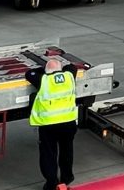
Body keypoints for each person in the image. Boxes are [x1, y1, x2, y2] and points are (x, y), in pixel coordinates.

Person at [25, 55, 81, 190]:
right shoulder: (69, 76)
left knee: (49, 154)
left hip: (49, 124)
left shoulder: (43, 79)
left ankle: (52, 182)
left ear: (46, 71)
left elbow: (29, 73)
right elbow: (72, 66)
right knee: (67, 150)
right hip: (68, 122)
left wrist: (43, 69)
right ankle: (67, 178)